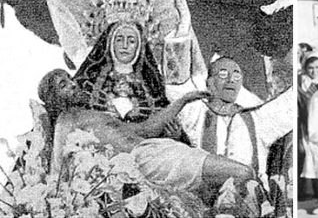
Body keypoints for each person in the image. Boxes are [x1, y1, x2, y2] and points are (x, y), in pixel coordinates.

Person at [39, 69, 255, 196]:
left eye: (70, 79)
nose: (73, 85)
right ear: (53, 98)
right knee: (242, 174)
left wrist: (183, 101)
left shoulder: (90, 114)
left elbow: (146, 129)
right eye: (63, 85)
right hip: (146, 162)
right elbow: (57, 171)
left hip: (156, 152)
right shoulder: (66, 121)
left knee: (232, 181)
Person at [172, 56, 294, 191]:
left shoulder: (257, 119)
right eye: (223, 74)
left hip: (249, 201)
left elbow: (292, 102)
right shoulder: (195, 111)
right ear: (209, 83)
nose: (231, 80)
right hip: (203, 198)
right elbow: (175, 82)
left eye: (236, 77)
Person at [73, 20, 168, 121]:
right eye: (119, 40)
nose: (125, 46)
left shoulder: (152, 86)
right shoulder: (90, 80)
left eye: (131, 41)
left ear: (140, 47)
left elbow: (164, 119)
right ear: (110, 43)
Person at [299, 52, 318, 208]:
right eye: (310, 68)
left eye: (317, 67)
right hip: (309, 131)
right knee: (316, 164)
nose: (314, 71)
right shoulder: (301, 89)